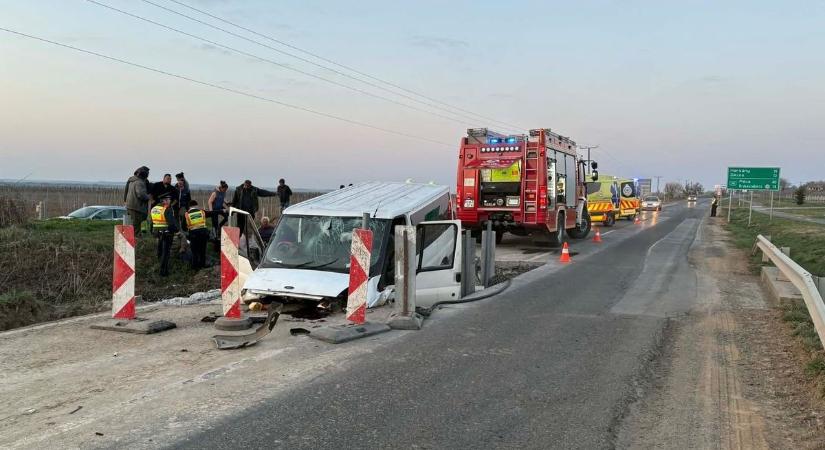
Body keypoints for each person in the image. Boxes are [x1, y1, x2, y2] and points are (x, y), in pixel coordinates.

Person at [150, 196, 178, 276]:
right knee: (166, 253)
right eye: (169, 199)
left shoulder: (154, 209)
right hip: (167, 233)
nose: (170, 201)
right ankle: (163, 272)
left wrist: (152, 231)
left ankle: (158, 266)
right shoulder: (166, 209)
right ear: (164, 201)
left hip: (157, 233)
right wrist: (177, 231)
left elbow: (151, 222)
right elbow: (171, 223)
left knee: (160, 251)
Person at [124, 166, 151, 235]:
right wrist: (148, 197)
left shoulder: (131, 181)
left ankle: (131, 237)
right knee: (136, 226)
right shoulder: (139, 182)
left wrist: (125, 200)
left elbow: (126, 191)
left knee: (130, 225)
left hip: (130, 205)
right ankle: (136, 239)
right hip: (137, 207)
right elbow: (141, 195)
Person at [185, 200, 210, 269]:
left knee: (194, 251)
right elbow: (210, 214)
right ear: (196, 205)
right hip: (203, 233)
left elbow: (185, 226)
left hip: (193, 235)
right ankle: (203, 265)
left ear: (189, 207)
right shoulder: (202, 212)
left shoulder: (187, 214)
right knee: (203, 251)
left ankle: (195, 267)